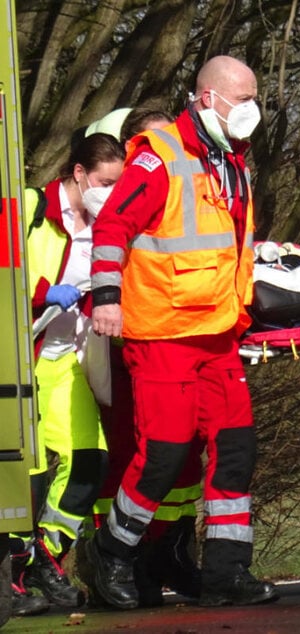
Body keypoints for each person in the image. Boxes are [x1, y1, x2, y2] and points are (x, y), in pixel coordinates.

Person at [84, 55, 278, 610]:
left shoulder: (230, 158)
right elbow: (112, 225)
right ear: (207, 97)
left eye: (253, 97)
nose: (251, 110)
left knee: (236, 449)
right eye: (242, 99)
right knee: (163, 455)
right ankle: (113, 551)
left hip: (217, 333)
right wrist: (106, 298)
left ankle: (226, 572)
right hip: (164, 332)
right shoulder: (160, 156)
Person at [78, 106, 206, 608]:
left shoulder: (182, 191)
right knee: (133, 451)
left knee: (184, 454)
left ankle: (167, 550)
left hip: (174, 334)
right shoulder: (113, 201)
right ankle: (121, 557)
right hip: (126, 337)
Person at [13, 133, 126, 612]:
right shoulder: (31, 208)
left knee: (88, 463)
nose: (110, 193)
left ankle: (46, 555)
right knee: (29, 472)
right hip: (25, 356)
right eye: (104, 182)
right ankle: (12, 578)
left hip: (70, 357)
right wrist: (43, 291)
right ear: (79, 173)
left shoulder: (107, 225)